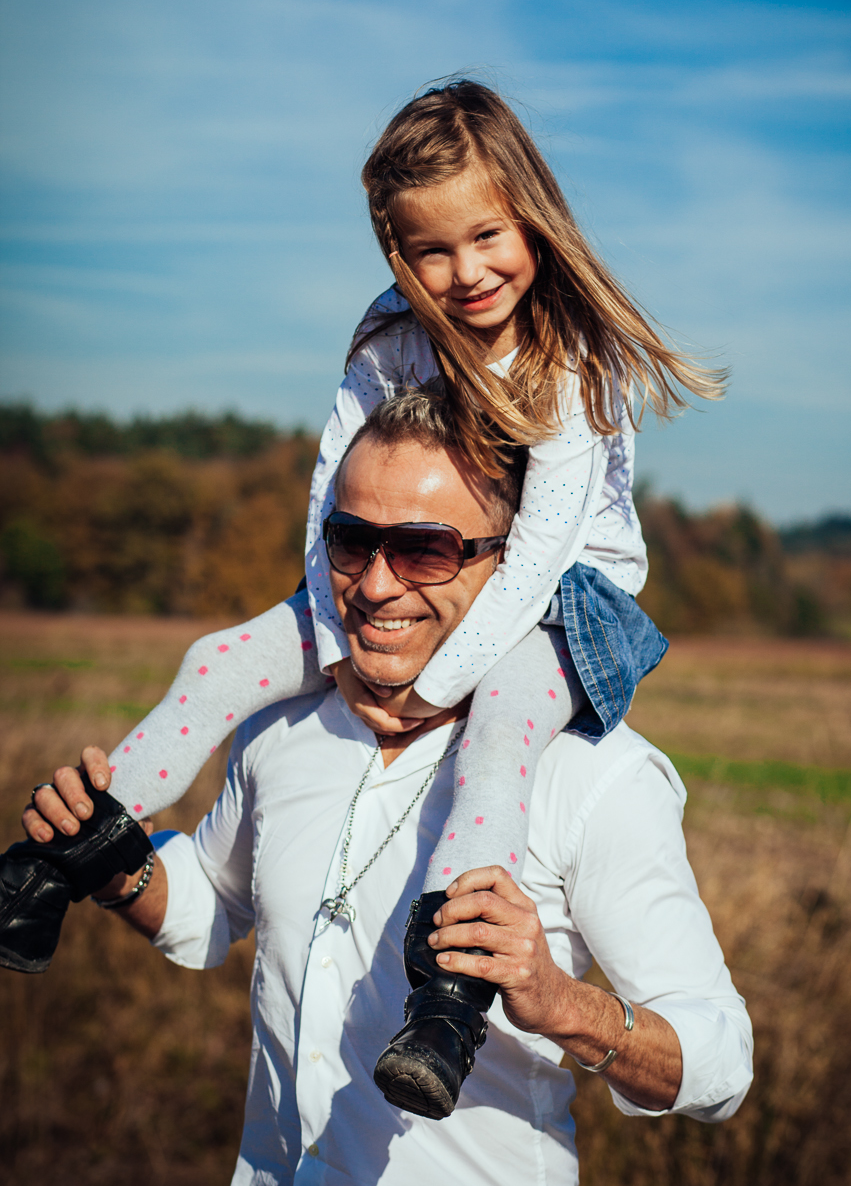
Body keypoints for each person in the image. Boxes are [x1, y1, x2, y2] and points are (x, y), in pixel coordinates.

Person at [0, 80, 723, 1115]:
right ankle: (51, 862)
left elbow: (533, 558)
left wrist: (428, 687)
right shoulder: (392, 331)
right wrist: (336, 639)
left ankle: (449, 999)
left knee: (501, 731)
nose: (466, 273)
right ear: (394, 249)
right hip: (415, 564)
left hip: (565, 596)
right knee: (218, 661)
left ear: (532, 217)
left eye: (487, 236)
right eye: (431, 250)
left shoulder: (565, 361)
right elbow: (330, 493)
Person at [20, 392, 752, 1186]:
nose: (375, 585)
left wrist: (557, 1001)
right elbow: (211, 909)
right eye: (351, 540)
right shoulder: (281, 729)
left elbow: (722, 1064)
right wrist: (116, 865)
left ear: (514, 564)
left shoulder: (596, 777)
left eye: (425, 551)